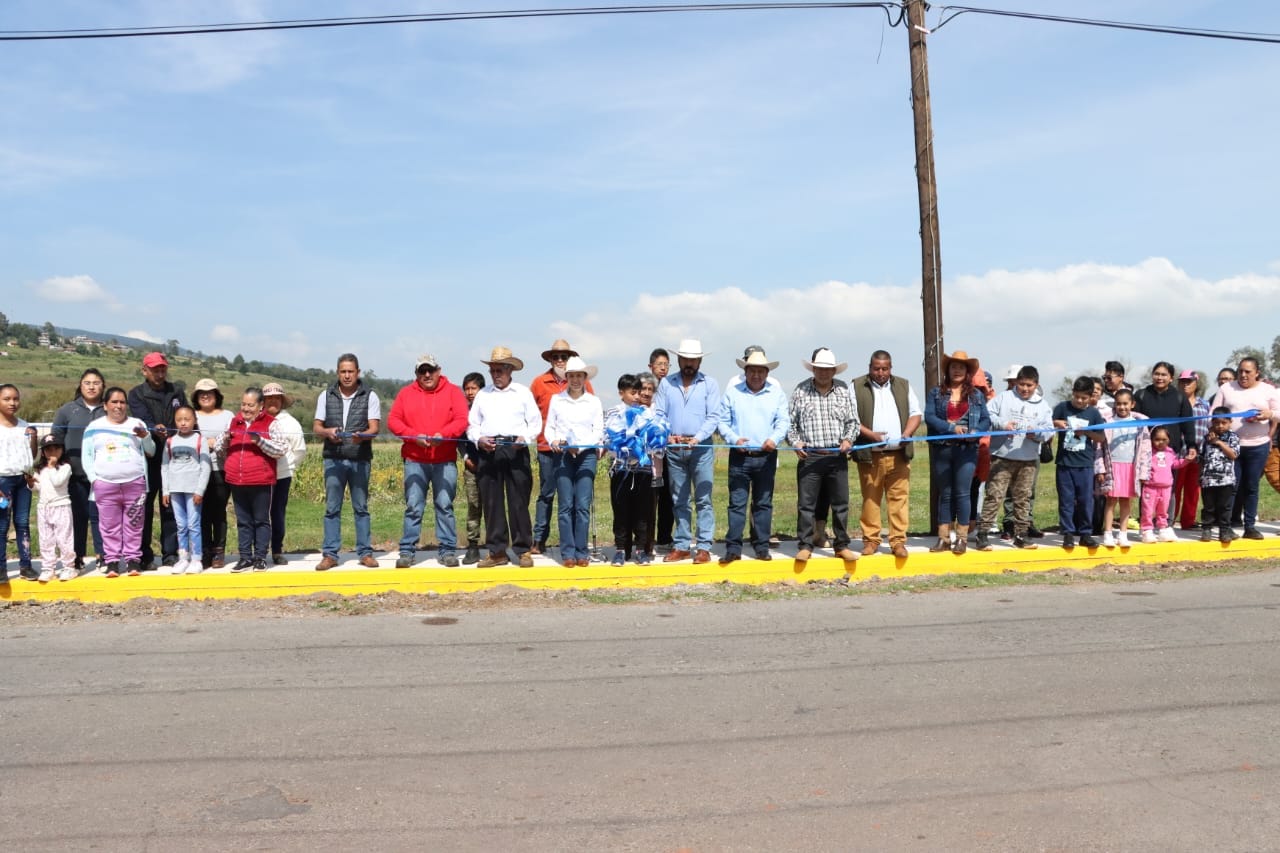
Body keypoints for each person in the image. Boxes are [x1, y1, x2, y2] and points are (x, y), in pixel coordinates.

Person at [387, 354, 469, 568]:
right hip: (415, 459)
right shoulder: (405, 394)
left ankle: (448, 550)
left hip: (445, 460)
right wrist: (414, 437)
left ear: (438, 371)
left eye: (430, 370)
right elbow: (394, 421)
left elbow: (462, 419)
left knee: (444, 505)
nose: (426, 374)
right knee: (414, 506)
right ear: (416, 374)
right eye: (422, 371)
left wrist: (445, 434)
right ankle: (407, 551)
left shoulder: (453, 392)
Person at [467, 346, 542, 569]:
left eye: (500, 370)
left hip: (515, 448)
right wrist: (479, 439)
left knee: (518, 501)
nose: (496, 374)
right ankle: (497, 551)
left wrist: (524, 438)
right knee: (492, 503)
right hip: (489, 450)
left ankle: (523, 549)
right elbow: (473, 425)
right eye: (493, 370)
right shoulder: (483, 395)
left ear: (510, 370)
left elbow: (535, 422)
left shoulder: (522, 393)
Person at [716, 349, 788, 564]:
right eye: (752, 371)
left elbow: (783, 422)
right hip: (740, 457)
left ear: (767, 373)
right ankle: (733, 548)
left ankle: (762, 547)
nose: (756, 375)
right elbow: (722, 422)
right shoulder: (733, 393)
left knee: (763, 504)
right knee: (737, 503)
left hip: (766, 456)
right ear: (745, 371)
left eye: (760, 371)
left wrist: (774, 439)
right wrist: (733, 439)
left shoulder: (777, 394)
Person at [788, 347, 859, 563]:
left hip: (836, 456)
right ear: (813, 369)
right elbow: (790, 424)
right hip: (810, 456)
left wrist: (848, 439)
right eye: (819, 369)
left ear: (834, 371)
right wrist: (795, 442)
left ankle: (841, 545)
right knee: (806, 505)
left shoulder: (844, 390)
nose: (823, 373)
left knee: (841, 504)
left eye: (828, 370)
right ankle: (805, 545)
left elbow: (853, 422)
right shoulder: (800, 391)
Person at [654, 339, 721, 564]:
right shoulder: (666, 384)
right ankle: (682, 545)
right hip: (674, 448)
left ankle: (703, 546)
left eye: (693, 359)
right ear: (679, 360)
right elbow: (660, 414)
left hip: (700, 448)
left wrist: (697, 437)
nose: (689, 363)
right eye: (686, 359)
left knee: (703, 498)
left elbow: (713, 416)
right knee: (679, 499)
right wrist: (666, 435)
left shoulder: (709, 384)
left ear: (700, 360)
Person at [851, 350, 922, 559]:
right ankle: (871, 541)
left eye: (885, 368)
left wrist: (907, 433)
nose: (880, 372)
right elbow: (851, 418)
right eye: (876, 368)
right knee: (871, 499)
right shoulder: (856, 386)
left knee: (899, 499)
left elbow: (916, 413)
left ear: (891, 368)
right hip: (870, 455)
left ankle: (898, 541)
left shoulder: (903, 385)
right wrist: (871, 435)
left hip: (899, 454)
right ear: (869, 367)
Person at [313, 353, 382, 570]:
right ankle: (330, 554)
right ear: (337, 373)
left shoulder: (370, 396)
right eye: (343, 371)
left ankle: (365, 552)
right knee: (332, 508)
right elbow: (316, 427)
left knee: (361, 507)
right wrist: (327, 432)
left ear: (358, 372)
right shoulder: (326, 395)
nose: (347, 375)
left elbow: (374, 428)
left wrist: (362, 435)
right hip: (333, 459)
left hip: (360, 459)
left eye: (350, 371)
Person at [975, 365, 1053, 551]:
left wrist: (1038, 434)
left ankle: (1021, 534)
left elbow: (1049, 430)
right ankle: (983, 534)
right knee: (994, 495)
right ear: (1016, 382)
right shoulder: (1003, 398)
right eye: (1022, 384)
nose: (1025, 389)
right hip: (1002, 456)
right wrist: (1003, 424)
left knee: (1023, 497)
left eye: (1029, 385)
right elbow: (986, 415)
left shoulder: (1042, 405)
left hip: (1028, 458)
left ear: (1036, 384)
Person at [529, 339, 594, 555]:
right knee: (547, 494)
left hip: (578, 450)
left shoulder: (584, 384)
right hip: (548, 447)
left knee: (574, 499)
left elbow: (591, 417)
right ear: (550, 359)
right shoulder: (539, 382)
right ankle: (539, 539)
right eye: (555, 356)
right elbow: (531, 414)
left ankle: (576, 544)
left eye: (563, 357)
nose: (559, 360)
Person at [923, 351, 991, 555]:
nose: (957, 370)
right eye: (954, 367)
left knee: (962, 493)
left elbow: (985, 420)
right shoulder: (936, 393)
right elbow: (930, 417)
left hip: (967, 450)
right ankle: (943, 539)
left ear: (968, 371)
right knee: (945, 494)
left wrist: (975, 431)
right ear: (948, 370)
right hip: (943, 448)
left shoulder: (977, 395)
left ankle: (961, 539)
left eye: (961, 367)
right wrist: (951, 428)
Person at [83, 386, 155, 577]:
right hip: (105, 485)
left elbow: (151, 451)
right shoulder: (94, 427)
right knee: (109, 525)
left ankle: (132, 560)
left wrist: (146, 437)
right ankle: (112, 561)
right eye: (114, 402)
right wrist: (95, 480)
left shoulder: (137, 423)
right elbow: (86, 456)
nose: (119, 406)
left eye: (122, 402)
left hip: (135, 483)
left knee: (134, 523)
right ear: (105, 405)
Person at [127, 351, 189, 569]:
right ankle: (143, 554)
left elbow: (185, 415)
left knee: (170, 506)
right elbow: (140, 418)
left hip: (174, 457)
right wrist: (154, 428)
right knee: (144, 507)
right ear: (145, 371)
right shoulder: (135, 394)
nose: (159, 373)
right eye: (155, 369)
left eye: (162, 369)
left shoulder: (176, 392)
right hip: (147, 457)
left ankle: (170, 554)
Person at [1210, 357, 1280, 539]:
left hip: (1258, 446)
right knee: (1231, 487)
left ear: (1257, 373)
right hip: (1231, 447)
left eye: (1248, 372)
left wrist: (1268, 414)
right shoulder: (1226, 389)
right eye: (1240, 371)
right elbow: (1213, 413)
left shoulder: (1268, 390)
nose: (1243, 375)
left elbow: (1279, 413)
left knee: (1251, 487)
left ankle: (1250, 526)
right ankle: (1226, 527)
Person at [545, 356, 604, 567]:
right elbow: (550, 427)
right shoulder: (557, 399)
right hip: (562, 454)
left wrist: (583, 445)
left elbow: (598, 430)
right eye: (572, 376)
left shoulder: (594, 401)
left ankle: (582, 551)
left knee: (582, 506)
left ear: (585, 377)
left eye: (579, 375)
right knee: (565, 505)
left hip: (586, 455)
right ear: (566, 378)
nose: (576, 379)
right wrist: (553, 440)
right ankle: (567, 552)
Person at [223, 388, 286, 572]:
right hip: (237, 480)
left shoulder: (271, 424)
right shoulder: (234, 422)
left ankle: (260, 557)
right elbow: (220, 448)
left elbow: (280, 450)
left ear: (260, 406)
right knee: (243, 521)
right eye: (243, 404)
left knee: (261, 520)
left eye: (250, 405)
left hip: (261, 480)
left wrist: (259, 441)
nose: (246, 408)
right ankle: (245, 558)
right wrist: (225, 438)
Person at [605, 374, 665, 566]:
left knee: (643, 512)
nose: (637, 396)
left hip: (644, 470)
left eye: (638, 392)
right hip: (621, 470)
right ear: (621, 393)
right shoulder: (613, 413)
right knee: (621, 511)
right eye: (632, 392)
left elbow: (656, 441)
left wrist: (654, 442)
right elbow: (607, 439)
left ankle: (641, 549)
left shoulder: (647, 414)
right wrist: (623, 445)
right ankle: (621, 550)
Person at [51, 368, 105, 572]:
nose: (92, 386)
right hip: (74, 474)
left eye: (96, 382)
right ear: (80, 385)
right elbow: (55, 438)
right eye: (87, 383)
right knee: (76, 517)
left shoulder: (108, 409)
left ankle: (104, 555)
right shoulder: (67, 410)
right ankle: (76, 556)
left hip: (103, 475)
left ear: (103, 386)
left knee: (101, 517)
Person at [1052, 376, 1107, 549]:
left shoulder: (1093, 413)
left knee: (1085, 500)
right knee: (1066, 500)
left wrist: (1087, 432)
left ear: (1091, 397)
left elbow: (1101, 437)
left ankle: (1085, 533)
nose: (1079, 401)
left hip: (1084, 464)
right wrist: (1056, 423)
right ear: (1073, 393)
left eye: (1084, 398)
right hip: (1064, 463)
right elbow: (1048, 425)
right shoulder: (1062, 407)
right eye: (1077, 397)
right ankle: (1068, 533)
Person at [1093, 388, 1149, 549]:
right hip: (1112, 467)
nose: (1122, 407)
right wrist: (1100, 469)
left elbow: (1145, 449)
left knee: (1126, 501)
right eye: (1119, 404)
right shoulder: (1107, 423)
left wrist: (1143, 472)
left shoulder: (1140, 425)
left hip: (1131, 468)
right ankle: (1108, 533)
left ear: (1132, 404)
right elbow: (1099, 448)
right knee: (1110, 501)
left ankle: (1123, 534)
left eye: (1125, 404)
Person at [160, 406, 211, 574]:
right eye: (179, 420)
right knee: (181, 525)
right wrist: (166, 490)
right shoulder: (170, 441)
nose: (183, 423)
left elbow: (205, 466)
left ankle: (197, 559)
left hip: (192, 490)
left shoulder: (199, 439)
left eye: (187, 419)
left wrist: (200, 490)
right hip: (175, 490)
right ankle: (183, 558)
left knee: (193, 524)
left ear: (194, 420)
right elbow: (165, 467)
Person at [263, 382, 307, 565]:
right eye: (269, 398)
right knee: (259, 514)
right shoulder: (256, 419)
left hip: (281, 475)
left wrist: (287, 466)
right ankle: (258, 550)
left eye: (276, 398)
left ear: (282, 400)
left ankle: (277, 550)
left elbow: (299, 451)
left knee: (278, 512)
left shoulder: (291, 423)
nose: (273, 401)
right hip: (259, 475)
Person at [192, 378, 233, 569]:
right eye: (201, 393)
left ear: (217, 395)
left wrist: (215, 443)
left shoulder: (228, 415)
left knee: (218, 513)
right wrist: (203, 443)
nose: (206, 396)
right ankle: (205, 550)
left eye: (209, 392)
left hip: (221, 470)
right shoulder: (191, 415)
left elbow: (231, 438)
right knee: (202, 513)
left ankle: (219, 552)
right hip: (197, 471)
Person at [0, 384, 38, 582]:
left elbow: (31, 454)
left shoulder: (25, 426)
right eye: (7, 399)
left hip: (22, 480)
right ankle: (1, 568)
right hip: (2, 481)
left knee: (22, 523)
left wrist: (34, 438)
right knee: (2, 525)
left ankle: (26, 565)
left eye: (15, 399)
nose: (12, 403)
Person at [1133, 361, 1197, 460]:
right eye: (1157, 374)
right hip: (1145, 451)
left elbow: (1188, 425)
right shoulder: (1141, 395)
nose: (1159, 378)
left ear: (1171, 378)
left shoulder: (1180, 397)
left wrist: (1191, 445)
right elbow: (1133, 422)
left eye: (1164, 375)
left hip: (1171, 452)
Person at [33, 434, 75, 582]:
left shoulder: (65, 467)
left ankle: (69, 567)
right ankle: (48, 568)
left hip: (61, 506)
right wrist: (31, 483)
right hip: (44, 507)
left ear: (62, 450)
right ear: (43, 452)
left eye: (56, 448)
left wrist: (52, 466)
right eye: (48, 449)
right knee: (45, 540)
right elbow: (38, 487)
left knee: (64, 538)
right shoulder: (40, 469)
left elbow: (57, 482)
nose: (52, 452)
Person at [1173, 369, 1210, 531]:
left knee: (1193, 490)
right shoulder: (1175, 402)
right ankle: (1168, 519)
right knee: (1174, 489)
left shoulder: (1205, 404)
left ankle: (1188, 521)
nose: (1185, 384)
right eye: (1182, 381)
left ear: (1196, 383)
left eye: (1189, 381)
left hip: (1198, 454)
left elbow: (1209, 427)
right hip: (1177, 454)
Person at [1137, 426, 1187, 544]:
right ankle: (1147, 530)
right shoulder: (1148, 452)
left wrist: (1186, 461)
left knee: (1163, 511)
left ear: (1169, 440)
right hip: (1150, 487)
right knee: (1148, 510)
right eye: (1157, 439)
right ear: (1151, 439)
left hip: (1166, 487)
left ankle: (1163, 530)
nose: (1160, 442)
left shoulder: (1170, 452)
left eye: (1164, 439)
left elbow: (1175, 464)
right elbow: (1141, 465)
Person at [1198, 407, 1240, 543]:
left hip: (1226, 480)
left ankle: (1224, 530)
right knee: (1209, 506)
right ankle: (1207, 528)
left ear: (1230, 422)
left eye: (1223, 423)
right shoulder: (1206, 438)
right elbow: (1201, 457)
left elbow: (1233, 455)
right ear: (1212, 423)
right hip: (1208, 480)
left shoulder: (1232, 437)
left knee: (1224, 507)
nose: (1220, 426)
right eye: (1216, 423)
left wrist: (1219, 443)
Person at [648, 348, 674, 550]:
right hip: (650, 452)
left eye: (667, 364)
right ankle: (646, 538)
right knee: (650, 495)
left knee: (668, 494)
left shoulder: (674, 386)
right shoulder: (646, 388)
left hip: (670, 449)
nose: (663, 368)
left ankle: (665, 536)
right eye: (660, 364)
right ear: (651, 367)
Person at [459, 372, 486, 565]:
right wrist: (465, 457)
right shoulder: (463, 412)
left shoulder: (490, 409)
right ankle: (473, 545)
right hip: (471, 466)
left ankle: (495, 544)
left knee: (494, 507)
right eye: (467, 389)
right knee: (474, 506)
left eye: (473, 388)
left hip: (491, 465)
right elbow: (458, 439)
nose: (470, 392)